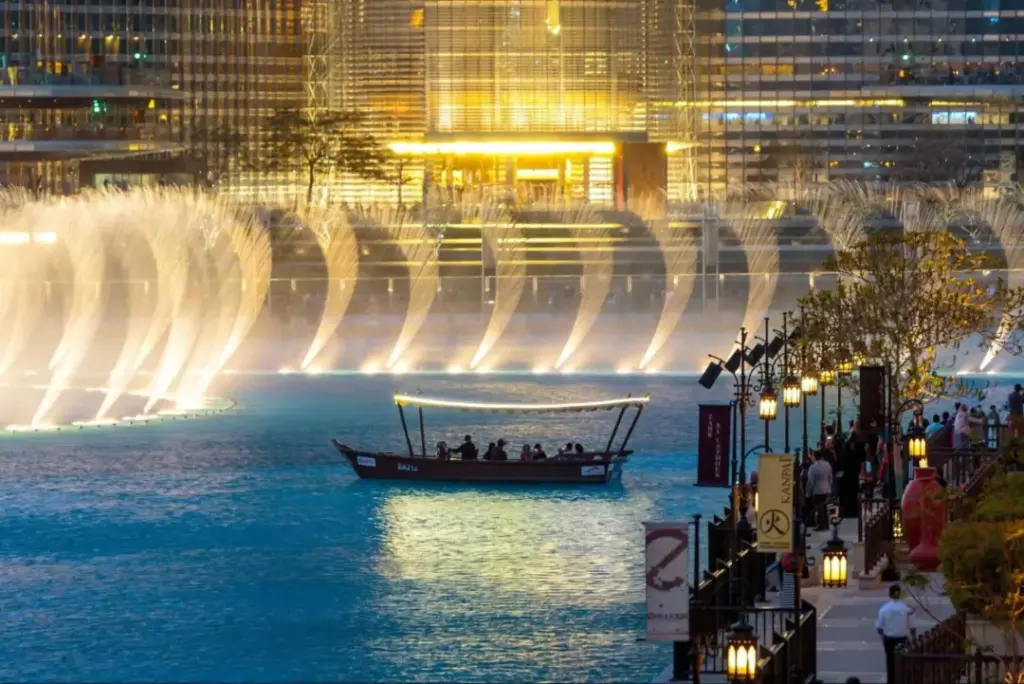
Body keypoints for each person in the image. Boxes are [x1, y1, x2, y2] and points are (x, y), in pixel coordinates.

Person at [876, 584, 916, 683]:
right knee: (903, 661)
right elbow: (912, 627)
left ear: (889, 594)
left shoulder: (884, 609)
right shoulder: (906, 609)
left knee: (890, 661)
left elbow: (879, 627)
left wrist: (882, 637)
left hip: (889, 638)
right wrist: (913, 638)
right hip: (902, 638)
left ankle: (891, 680)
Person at [806, 450, 833, 531]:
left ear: (814, 456)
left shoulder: (813, 467)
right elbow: (830, 477)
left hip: (817, 490)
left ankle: (820, 525)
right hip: (826, 489)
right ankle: (826, 524)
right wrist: (830, 487)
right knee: (824, 507)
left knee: (818, 508)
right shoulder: (827, 465)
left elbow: (811, 481)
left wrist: (809, 492)